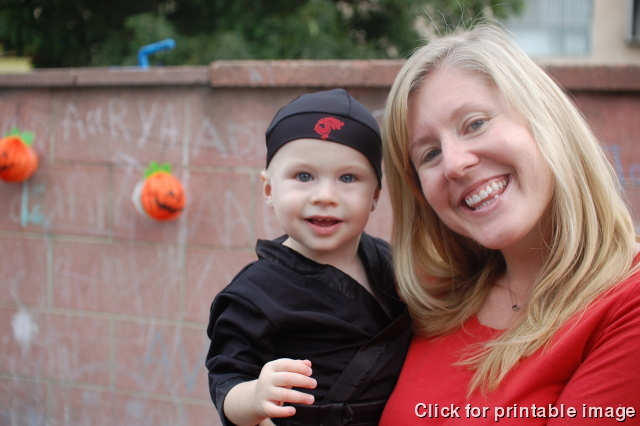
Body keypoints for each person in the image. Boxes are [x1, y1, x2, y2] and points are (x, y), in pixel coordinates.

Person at [379, 23, 640, 425]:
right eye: (429, 154)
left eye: (475, 123)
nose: (454, 164)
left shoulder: (626, 304)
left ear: (544, 121)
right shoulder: (430, 302)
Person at [205, 88, 411, 426]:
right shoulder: (255, 293)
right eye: (304, 176)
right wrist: (256, 396)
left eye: (348, 178)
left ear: (375, 195)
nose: (325, 196)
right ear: (269, 189)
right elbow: (226, 387)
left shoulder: (390, 264)